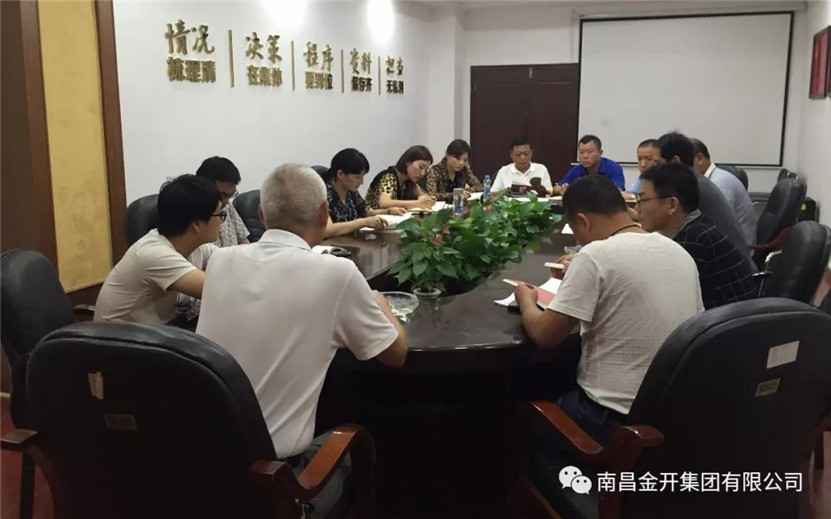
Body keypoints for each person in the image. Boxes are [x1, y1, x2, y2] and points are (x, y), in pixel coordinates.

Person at [196, 163, 408, 518]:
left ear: (261, 215)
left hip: (205, 470)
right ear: (324, 212)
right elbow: (396, 354)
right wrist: (382, 306)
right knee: (364, 438)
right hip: (279, 487)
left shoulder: (219, 260)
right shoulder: (337, 272)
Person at [514, 175, 702, 443]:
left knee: (522, 411)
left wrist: (526, 299)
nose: (579, 240)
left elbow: (545, 336)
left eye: (575, 230)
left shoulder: (595, 256)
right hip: (673, 415)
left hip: (611, 420)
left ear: (583, 221)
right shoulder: (678, 251)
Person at [94, 174, 221, 324]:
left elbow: (231, 258)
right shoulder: (154, 254)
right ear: (197, 224)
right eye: (220, 214)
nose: (221, 221)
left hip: (157, 330)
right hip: (118, 336)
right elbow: (216, 290)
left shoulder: (194, 246)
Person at [637, 163, 757, 309]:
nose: (637, 208)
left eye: (642, 200)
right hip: (727, 316)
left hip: (726, 320)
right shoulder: (697, 227)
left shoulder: (692, 242)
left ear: (672, 205)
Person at [656, 132, 752, 264]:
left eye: (657, 163)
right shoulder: (697, 181)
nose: (654, 169)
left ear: (675, 162)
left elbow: (674, 231)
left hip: (728, 266)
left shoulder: (691, 187)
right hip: (727, 259)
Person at [322, 148, 407, 238]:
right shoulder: (323, 194)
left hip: (351, 241)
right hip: (331, 244)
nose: (362, 182)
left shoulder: (351, 191)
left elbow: (367, 212)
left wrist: (388, 211)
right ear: (340, 174)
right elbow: (327, 230)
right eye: (358, 177)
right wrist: (363, 222)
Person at [692, 138, 757, 246]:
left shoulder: (720, 182)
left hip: (737, 248)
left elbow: (716, 224)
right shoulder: (708, 180)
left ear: (699, 158)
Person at [195, 156, 250, 246]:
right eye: (222, 195)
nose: (226, 202)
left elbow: (244, 241)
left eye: (231, 195)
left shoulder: (228, 206)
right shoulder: (192, 216)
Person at [365, 145, 436, 210]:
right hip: (374, 217)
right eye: (420, 167)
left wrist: (424, 198)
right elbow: (384, 203)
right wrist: (417, 203)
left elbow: (425, 197)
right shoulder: (389, 176)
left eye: (426, 170)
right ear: (408, 162)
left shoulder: (409, 180)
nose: (423, 173)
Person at [555, 135, 625, 194]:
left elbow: (618, 190)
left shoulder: (613, 168)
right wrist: (563, 189)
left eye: (590, 152)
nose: (585, 156)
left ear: (600, 153)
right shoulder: (577, 169)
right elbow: (556, 188)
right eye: (581, 152)